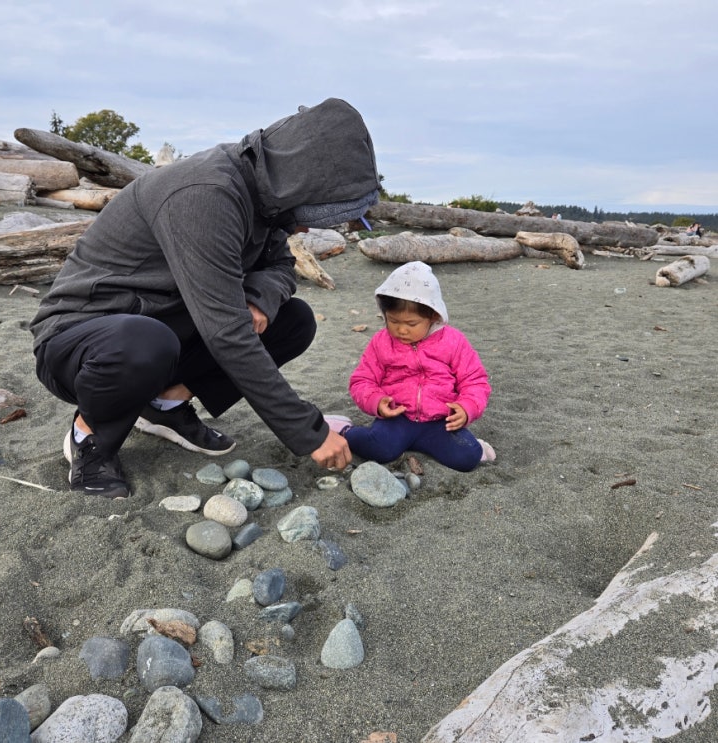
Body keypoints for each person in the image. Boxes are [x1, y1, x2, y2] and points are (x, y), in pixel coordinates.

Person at [30, 98, 380, 498]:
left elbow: (282, 266)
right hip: (82, 342)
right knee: (147, 342)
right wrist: (309, 432)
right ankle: (90, 438)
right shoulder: (205, 195)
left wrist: (258, 298)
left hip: (165, 324)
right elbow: (226, 333)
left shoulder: (266, 196)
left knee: (293, 321)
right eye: (321, 213)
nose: (309, 228)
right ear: (305, 185)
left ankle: (163, 406)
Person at [325, 261, 495, 472]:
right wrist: (377, 402)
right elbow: (362, 380)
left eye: (411, 324)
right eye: (393, 321)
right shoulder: (381, 342)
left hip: (440, 421)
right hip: (397, 418)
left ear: (434, 316)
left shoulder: (453, 341)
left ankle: (472, 446)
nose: (402, 330)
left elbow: (474, 380)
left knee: (468, 458)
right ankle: (343, 430)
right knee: (379, 450)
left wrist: (467, 407)